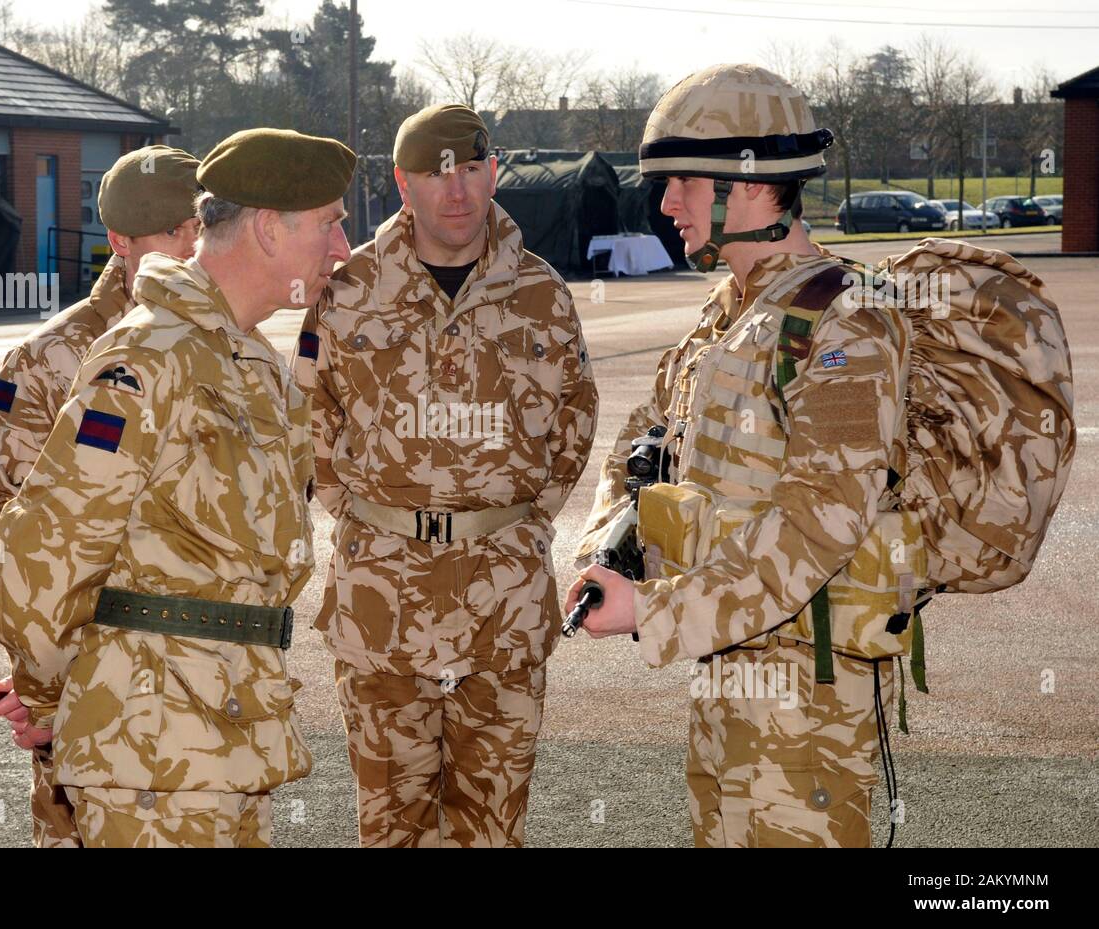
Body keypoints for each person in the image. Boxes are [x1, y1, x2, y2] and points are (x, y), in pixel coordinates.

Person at [568, 64, 907, 847]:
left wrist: (653, 611)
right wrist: (605, 555)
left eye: (683, 180)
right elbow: (639, 452)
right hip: (723, 673)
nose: (665, 203)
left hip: (806, 705)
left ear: (749, 183)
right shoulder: (724, 315)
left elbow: (817, 528)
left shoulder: (845, 320)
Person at [0, 128, 355, 847]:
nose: (344, 248)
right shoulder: (148, 354)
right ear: (266, 229)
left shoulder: (251, 364)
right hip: (151, 748)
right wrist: (46, 690)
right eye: (330, 223)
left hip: (228, 735)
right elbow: (47, 547)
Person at [294, 104, 598, 847]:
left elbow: (575, 420)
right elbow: (309, 423)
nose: (455, 189)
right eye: (434, 173)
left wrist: (513, 520)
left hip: (505, 603)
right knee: (391, 826)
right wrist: (377, 517)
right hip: (381, 601)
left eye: (470, 168)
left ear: (493, 172)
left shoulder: (541, 292)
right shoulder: (347, 290)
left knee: (492, 826)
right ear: (403, 183)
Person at [0, 144, 200, 847]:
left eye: (200, 226)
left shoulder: (227, 349)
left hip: (202, 689)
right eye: (171, 232)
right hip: (86, 684)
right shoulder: (53, 359)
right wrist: (64, 655)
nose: (191, 246)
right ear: (120, 242)